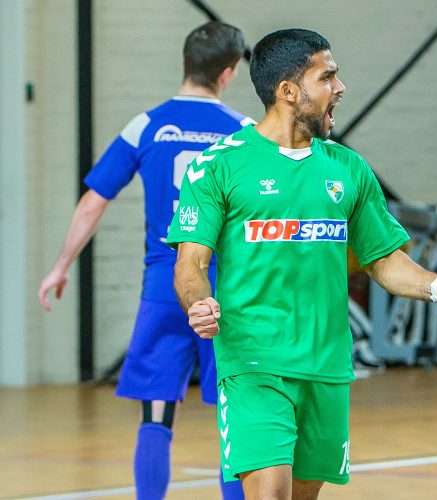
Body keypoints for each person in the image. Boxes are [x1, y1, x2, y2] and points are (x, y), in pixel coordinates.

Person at [167, 28, 437, 499]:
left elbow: (383, 260)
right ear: (288, 91)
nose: (341, 87)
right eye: (327, 76)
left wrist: (435, 286)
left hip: (327, 365)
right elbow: (190, 261)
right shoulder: (217, 166)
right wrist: (198, 301)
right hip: (253, 362)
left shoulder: (348, 168)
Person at [37, 21, 249, 500]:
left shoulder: (147, 124)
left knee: (155, 414)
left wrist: (60, 266)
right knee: (235, 416)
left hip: (166, 286)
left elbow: (93, 201)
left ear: (186, 63)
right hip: (226, 290)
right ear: (229, 73)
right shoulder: (243, 132)